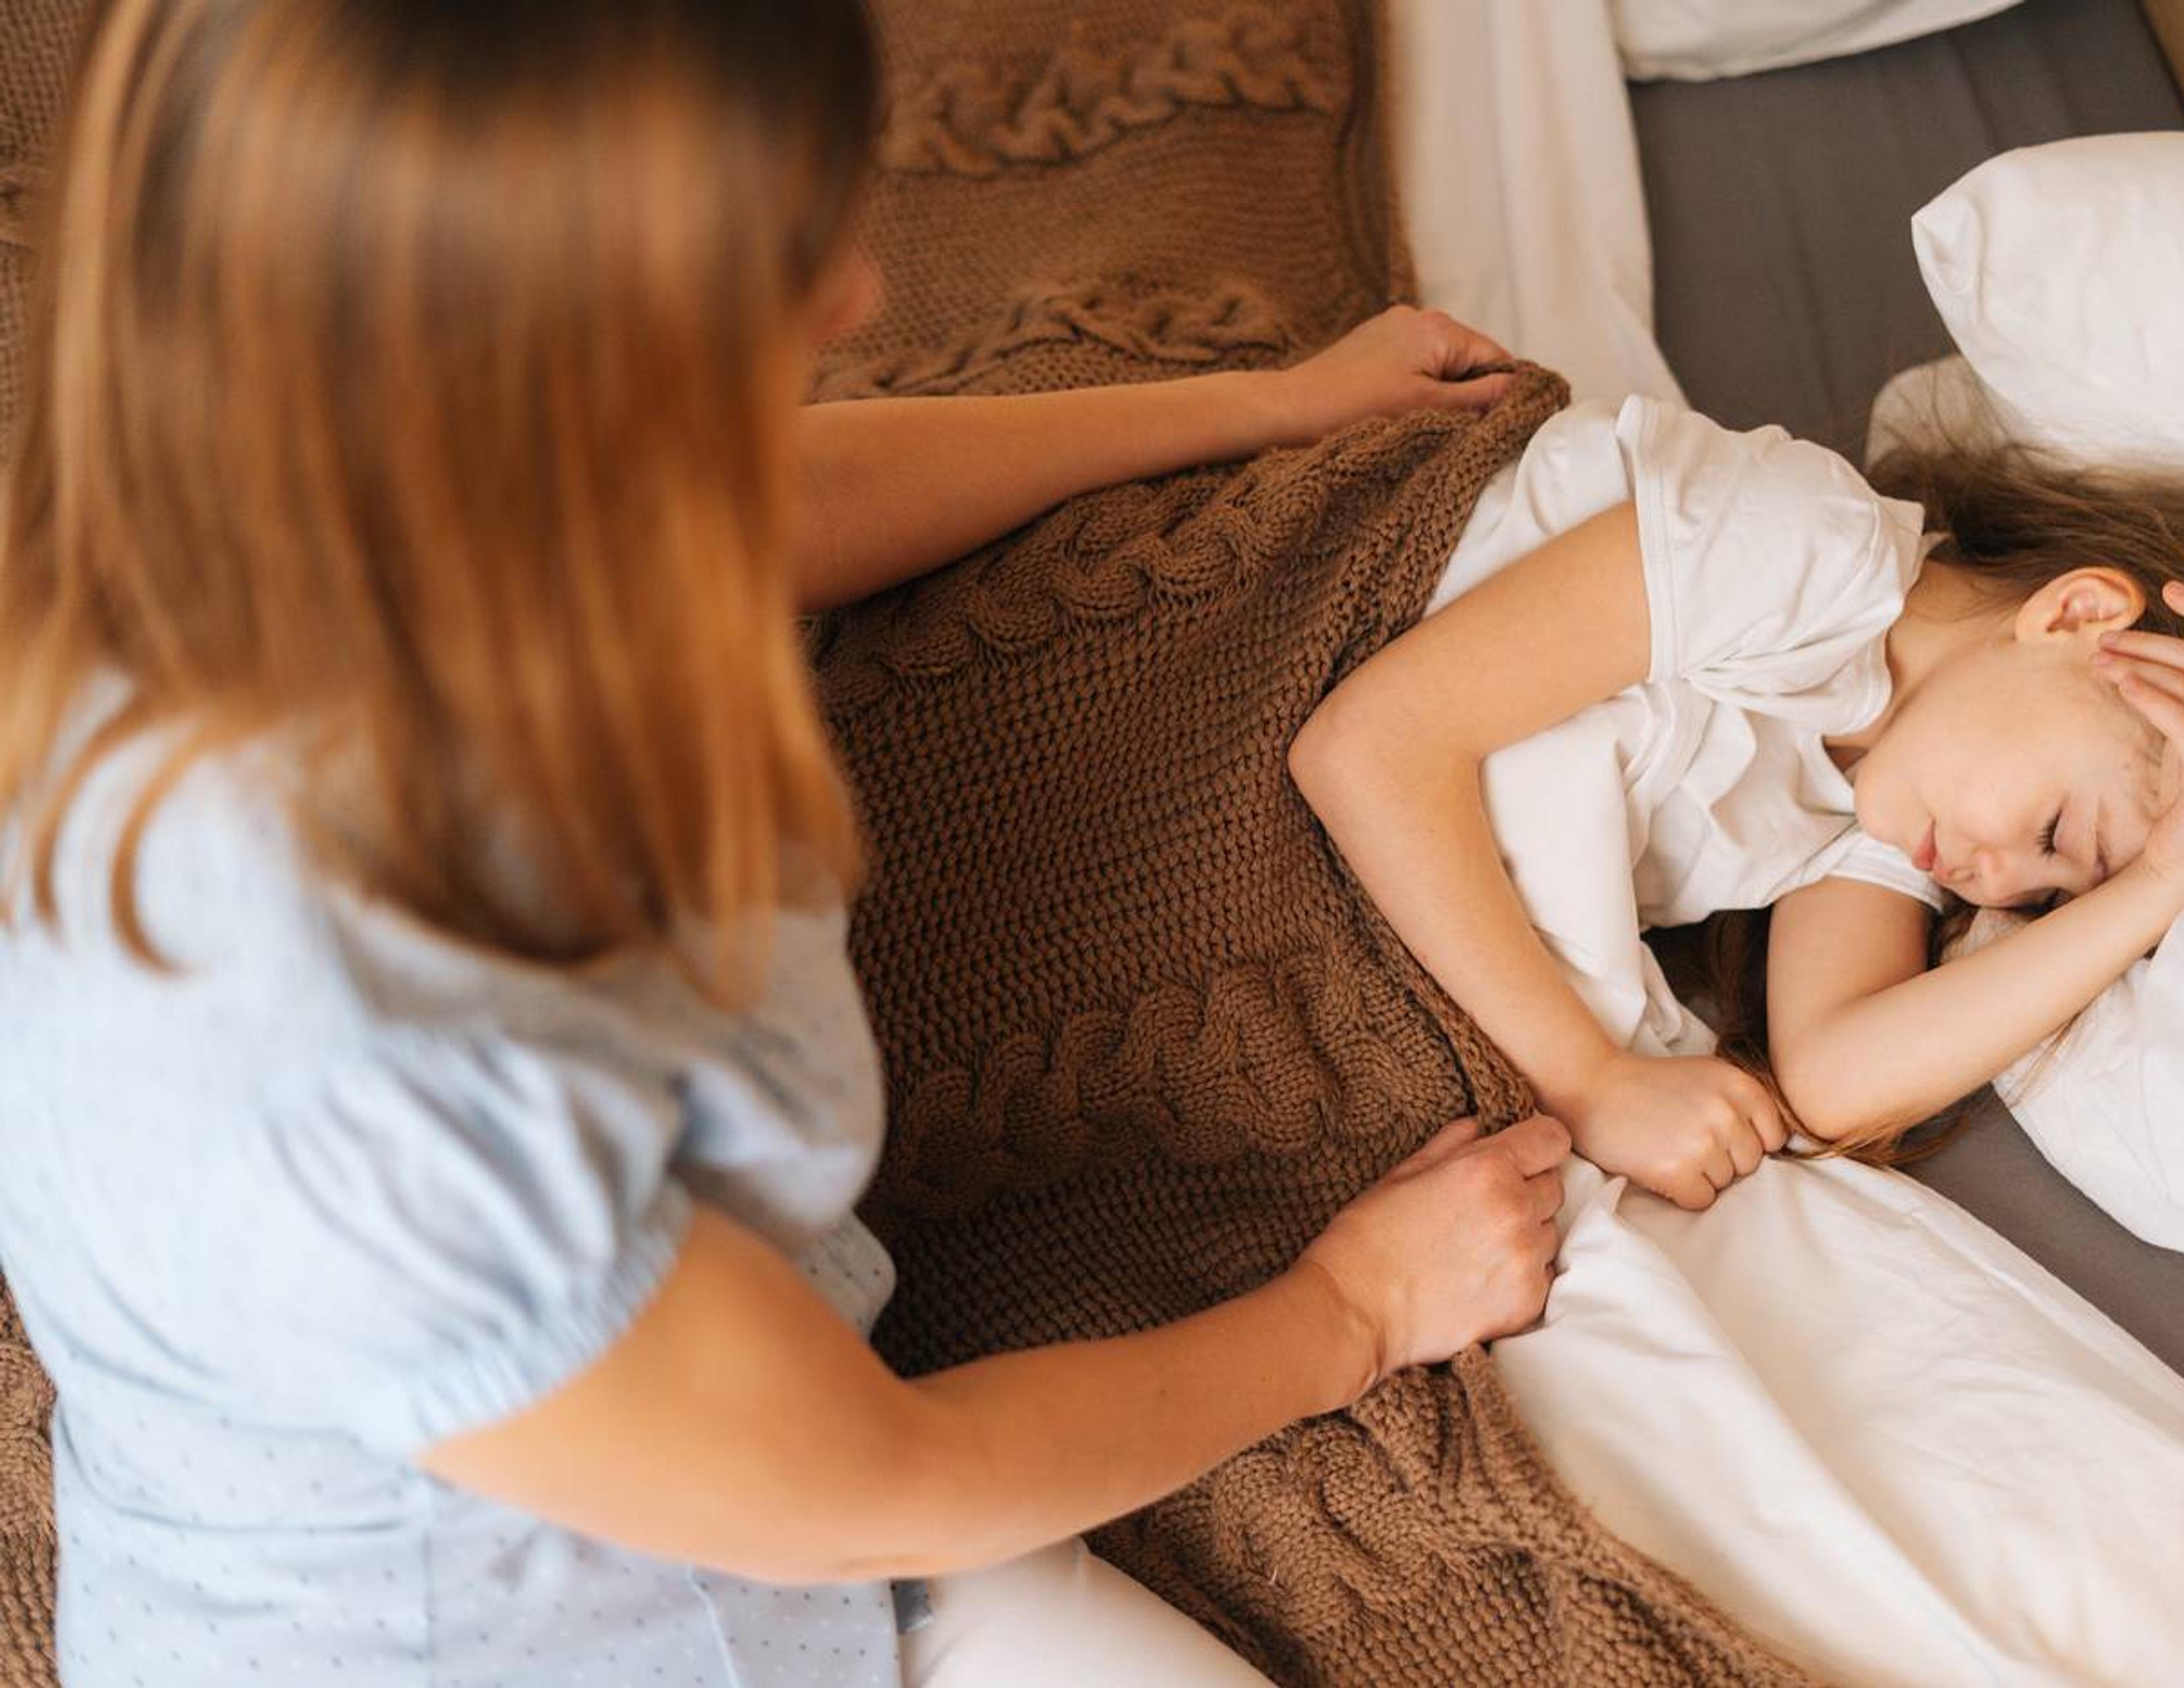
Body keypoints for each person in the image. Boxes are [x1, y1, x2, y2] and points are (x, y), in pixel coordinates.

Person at [0, 3, 1565, 1683]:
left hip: (748, 1464)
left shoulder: (320, 470)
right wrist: (1356, 1313)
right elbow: (885, 1489)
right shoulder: (349, 1038)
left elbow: (764, 502)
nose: (859, 300)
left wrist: (1259, 405)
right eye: (771, 271)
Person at [1291, 397, 2184, 1209]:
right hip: (1292, 641)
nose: (2001, 882)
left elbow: (1832, 1076)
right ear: (2076, 616)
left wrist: (2160, 883)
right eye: (2058, 835)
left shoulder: (1889, 806)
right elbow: (1365, 745)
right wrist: (1589, 1082)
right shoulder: (1807, 556)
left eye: (2052, 894)